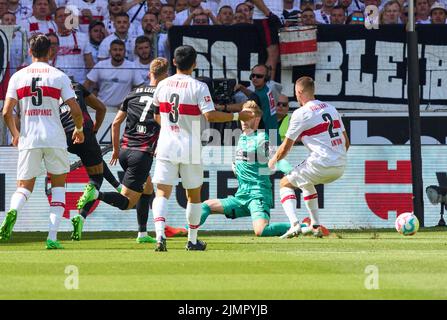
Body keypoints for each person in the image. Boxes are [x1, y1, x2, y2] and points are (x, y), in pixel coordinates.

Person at [150, 45, 254, 252]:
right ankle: (192, 240)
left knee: (162, 193)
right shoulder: (198, 87)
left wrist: (172, 128)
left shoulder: (162, 85)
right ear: (195, 64)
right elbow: (211, 116)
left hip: (166, 145)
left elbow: (156, 115)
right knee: (193, 195)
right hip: (190, 146)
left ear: (173, 62)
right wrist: (237, 116)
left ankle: (160, 236)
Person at [0, 34, 84, 249]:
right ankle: (52, 238)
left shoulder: (18, 77)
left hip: (29, 138)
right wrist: (79, 129)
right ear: (50, 52)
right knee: (58, 187)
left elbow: (6, 112)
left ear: (30, 51)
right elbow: (75, 110)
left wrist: (15, 133)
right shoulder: (58, 76)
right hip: (54, 138)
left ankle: (12, 212)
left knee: (24, 187)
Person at [268, 77, 349, 239]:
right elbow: (346, 143)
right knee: (305, 182)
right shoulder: (331, 109)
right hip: (340, 165)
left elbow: (285, 147)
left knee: (285, 183)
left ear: (298, 92)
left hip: (321, 163)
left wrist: (272, 161)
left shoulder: (301, 113)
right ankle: (315, 225)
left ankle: (294, 225)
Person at [199, 101, 291, 237]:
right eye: (243, 116)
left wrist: (290, 171)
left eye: (249, 117)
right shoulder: (242, 137)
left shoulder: (261, 138)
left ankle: (304, 226)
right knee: (205, 206)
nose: (244, 120)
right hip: (241, 196)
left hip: (258, 195)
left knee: (261, 231)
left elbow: (275, 157)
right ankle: (186, 231)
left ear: (257, 119)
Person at [84, 39, 144, 111]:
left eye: (120, 50)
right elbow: (87, 84)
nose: (118, 52)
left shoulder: (132, 66)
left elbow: (141, 87)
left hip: (123, 109)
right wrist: (84, 100)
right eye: (115, 50)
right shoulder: (101, 65)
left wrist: (130, 102)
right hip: (101, 107)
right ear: (110, 51)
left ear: (125, 52)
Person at [54, 6, 90, 83]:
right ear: (55, 20)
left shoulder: (83, 37)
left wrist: (87, 86)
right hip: (56, 84)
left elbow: (90, 64)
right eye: (60, 16)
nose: (64, 18)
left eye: (66, 16)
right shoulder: (50, 39)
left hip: (79, 84)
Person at [251, 0, 283, 81]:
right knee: (273, 53)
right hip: (265, 17)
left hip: (274, 15)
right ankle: (267, 86)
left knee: (275, 54)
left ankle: (267, 85)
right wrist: (268, 13)